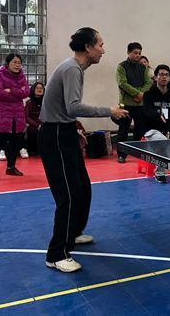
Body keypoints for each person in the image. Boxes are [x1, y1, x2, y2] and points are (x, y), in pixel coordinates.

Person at [39, 27, 127, 273]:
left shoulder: (75, 69)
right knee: (68, 194)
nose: (103, 50)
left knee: (82, 187)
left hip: (63, 131)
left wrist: (73, 130)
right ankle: (56, 254)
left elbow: (64, 109)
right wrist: (109, 111)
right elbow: (73, 106)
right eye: (100, 44)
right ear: (88, 47)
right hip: (55, 135)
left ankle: (73, 232)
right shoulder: (72, 69)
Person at [143, 64, 170, 183]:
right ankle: (159, 172)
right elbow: (147, 112)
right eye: (161, 74)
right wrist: (158, 117)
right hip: (151, 129)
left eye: (166, 75)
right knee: (162, 141)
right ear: (156, 77)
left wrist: (169, 129)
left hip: (168, 129)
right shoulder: (148, 94)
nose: (164, 77)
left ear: (169, 78)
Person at [115, 42, 151, 163]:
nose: (138, 55)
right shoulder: (121, 66)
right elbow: (123, 83)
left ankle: (138, 153)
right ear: (128, 52)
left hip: (140, 104)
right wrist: (137, 93)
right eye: (135, 53)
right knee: (123, 130)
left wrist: (141, 94)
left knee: (140, 130)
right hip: (125, 104)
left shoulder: (143, 68)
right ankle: (121, 155)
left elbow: (148, 83)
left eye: (139, 53)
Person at [0, 53, 29, 176]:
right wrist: (18, 93)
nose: (17, 65)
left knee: (15, 142)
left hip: (18, 116)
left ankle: (11, 167)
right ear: (7, 63)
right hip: (3, 115)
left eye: (19, 63)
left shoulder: (22, 76)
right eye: (14, 62)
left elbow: (26, 92)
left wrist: (11, 90)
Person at [24, 81, 45, 155]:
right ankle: (32, 150)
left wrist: (42, 124)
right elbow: (26, 116)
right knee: (32, 131)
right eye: (37, 88)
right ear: (33, 89)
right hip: (33, 124)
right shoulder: (29, 103)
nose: (39, 90)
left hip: (44, 122)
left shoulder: (46, 102)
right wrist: (36, 125)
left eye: (41, 88)